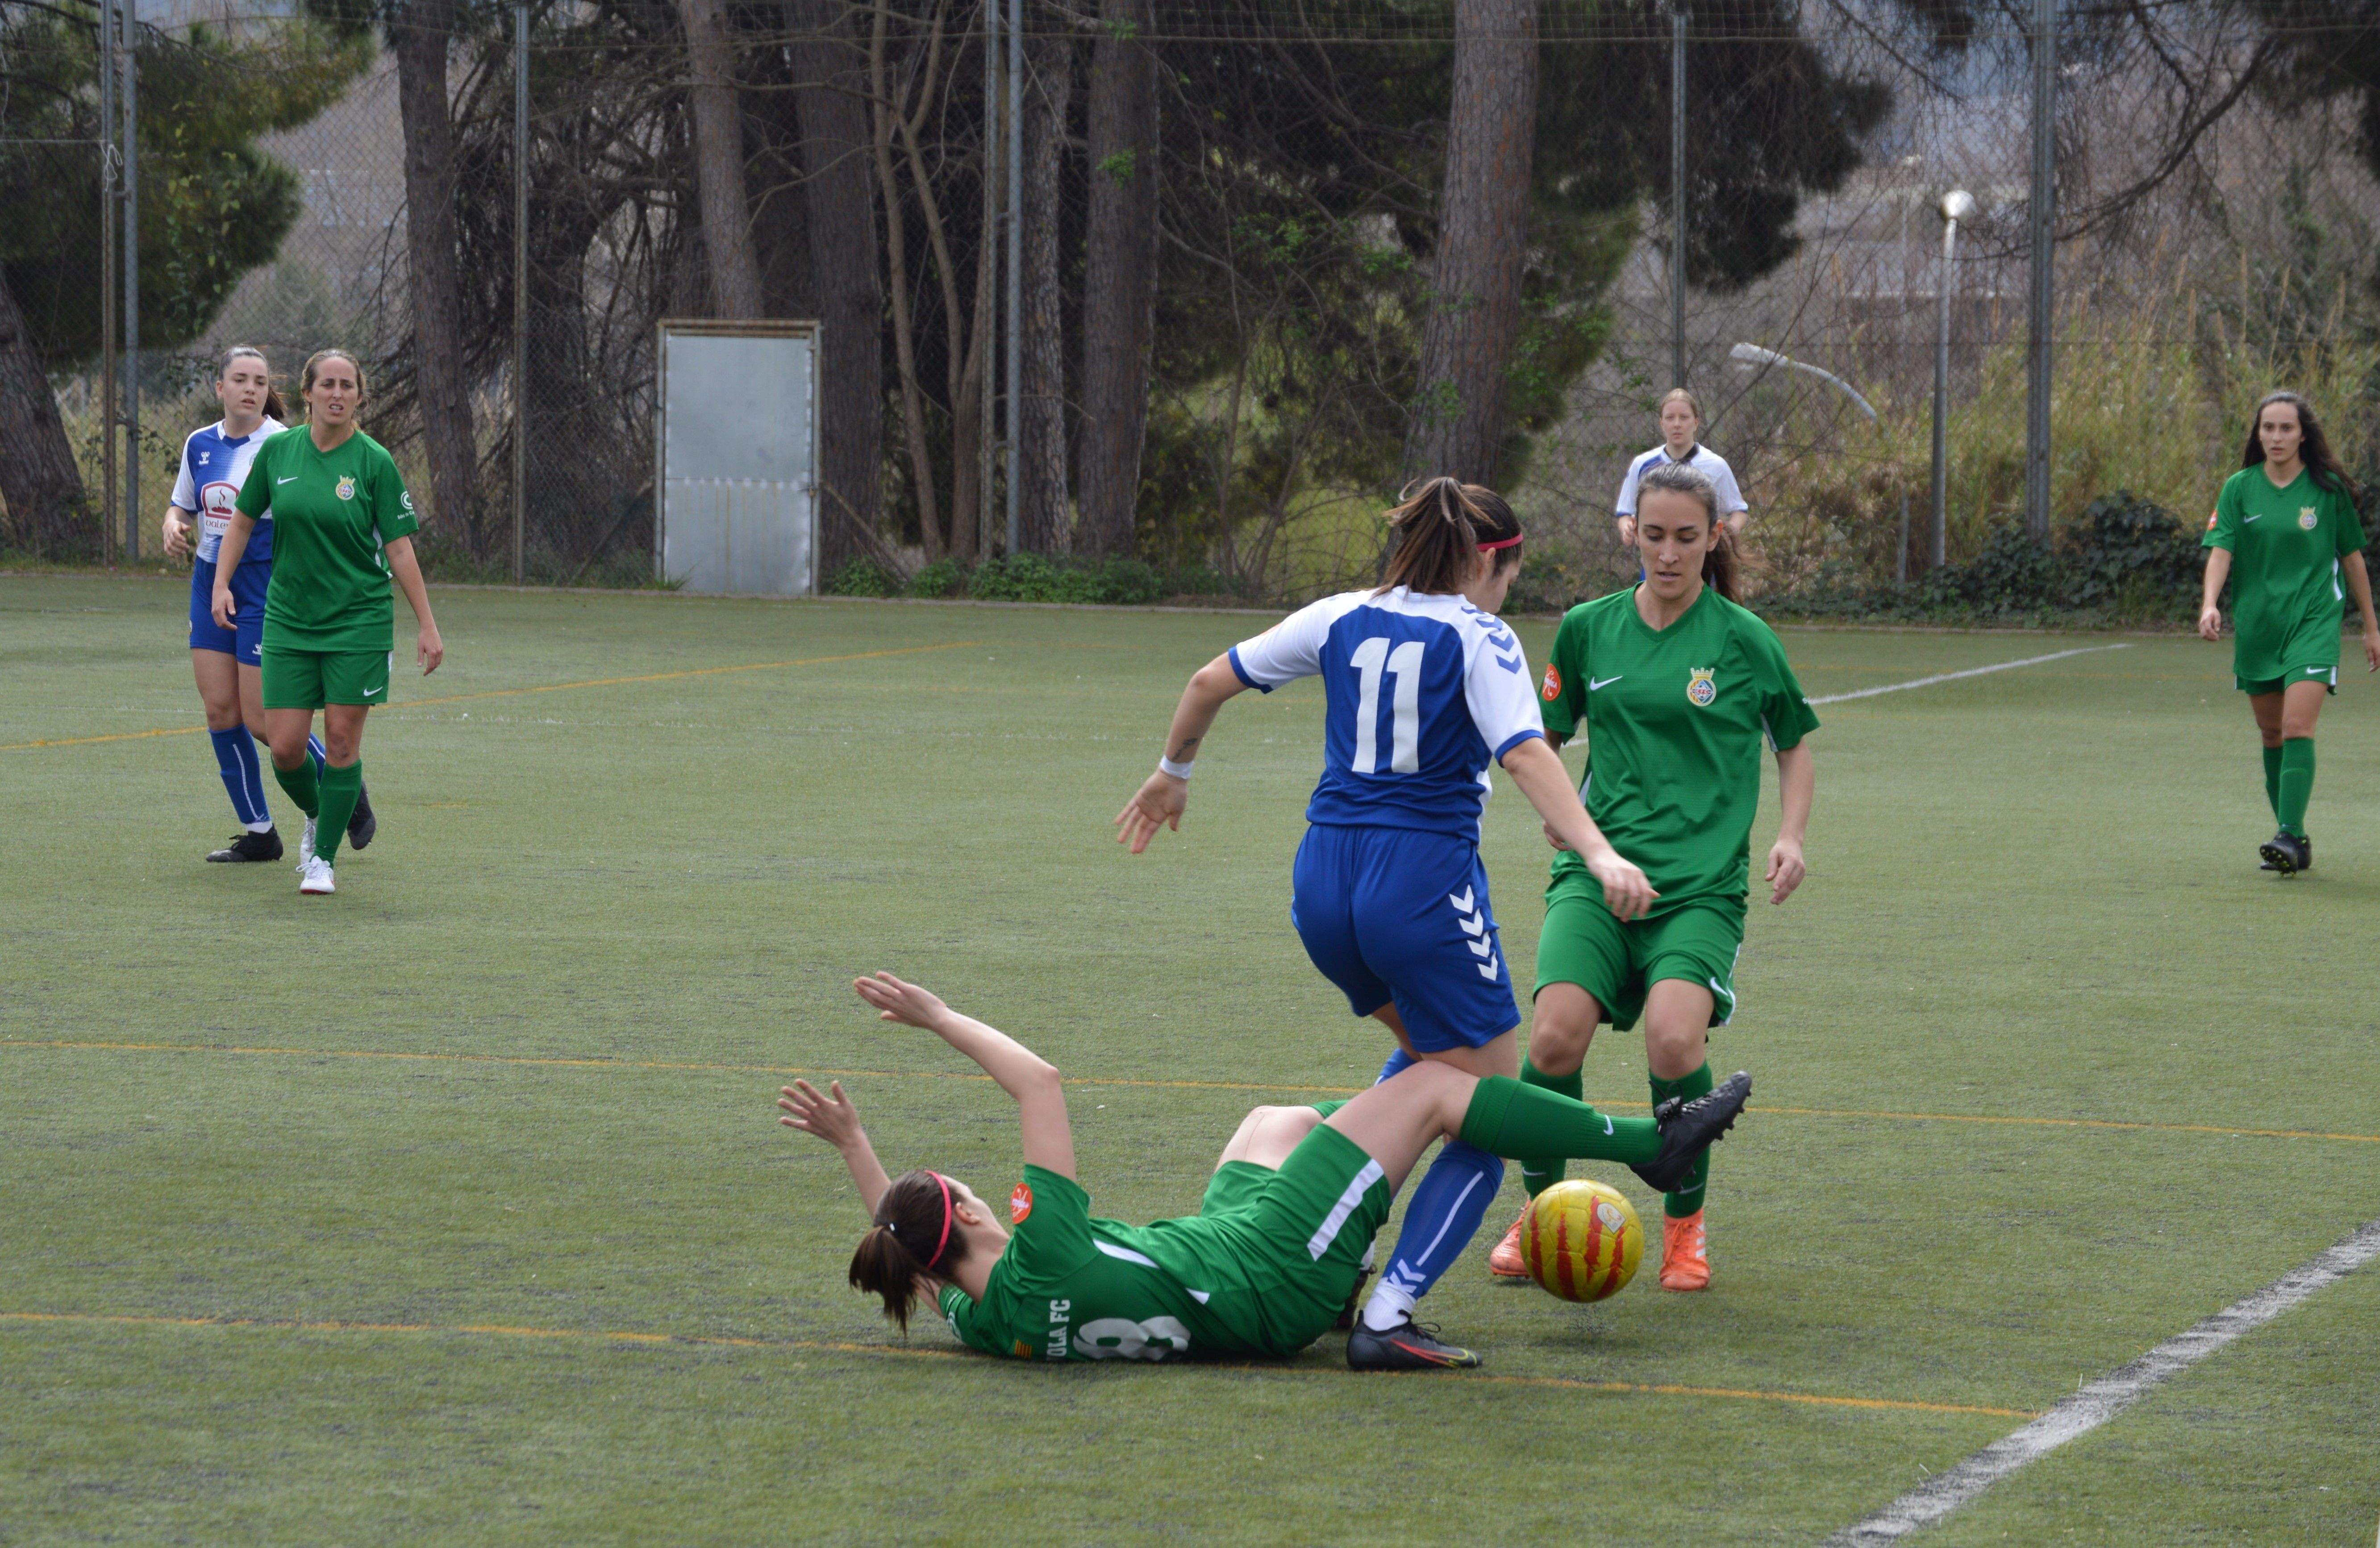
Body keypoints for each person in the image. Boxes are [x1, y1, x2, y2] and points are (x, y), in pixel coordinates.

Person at [1113, 477, 1655, 1369]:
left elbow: (1210, 678)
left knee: (1429, 1067)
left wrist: (1174, 769)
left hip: (1322, 885)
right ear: (1491, 560)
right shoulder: (1480, 634)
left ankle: (1347, 1260)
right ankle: (1389, 1313)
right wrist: (1597, 852)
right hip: (1416, 888)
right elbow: (1524, 751)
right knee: (1484, 1111)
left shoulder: (1335, 613)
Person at [780, 972, 1752, 1367]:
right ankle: (1652, 1146)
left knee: (1270, 1121)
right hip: (1276, 1271)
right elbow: (1038, 1081)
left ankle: (1373, 1151)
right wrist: (940, 1016)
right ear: (962, 1203)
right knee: (1435, 1085)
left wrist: (852, 1145)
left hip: (1231, 1260)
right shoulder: (1042, 1245)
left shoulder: (986, 1318)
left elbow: (901, 1237)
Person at [1486, 461, 1814, 1294]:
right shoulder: (1588, 629)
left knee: (1675, 1039)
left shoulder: (1744, 639)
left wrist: (1790, 834)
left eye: (1688, 538)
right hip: (1594, 879)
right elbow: (1543, 738)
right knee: (1555, 1037)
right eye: (1655, 535)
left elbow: (1793, 741)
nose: (1669, 554)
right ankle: (1541, 1213)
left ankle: (1685, 1226)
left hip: (1699, 889)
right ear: (1632, 531)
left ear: (1714, 539)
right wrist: (1561, 820)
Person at [213, 348, 444, 897]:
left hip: (358, 621)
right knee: (287, 747)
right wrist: (222, 584)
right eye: (328, 385)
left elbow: (401, 551)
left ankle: (324, 859)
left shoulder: (374, 462)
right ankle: (322, 815)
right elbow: (241, 522)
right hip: (289, 619)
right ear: (309, 393)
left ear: (359, 397)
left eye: (347, 386)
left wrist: (427, 624)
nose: (337, 394)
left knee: (341, 742)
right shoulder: (279, 452)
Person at [160, 347, 354, 864]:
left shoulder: (285, 443)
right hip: (210, 580)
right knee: (220, 710)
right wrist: (172, 523)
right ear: (219, 387)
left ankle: (343, 786)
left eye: (260, 381)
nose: (250, 388)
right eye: (240, 379)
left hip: (265, 581)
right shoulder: (200, 444)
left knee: (264, 720)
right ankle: (260, 832)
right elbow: (183, 502)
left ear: (270, 391)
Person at [2197, 390, 2379, 875]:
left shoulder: (2328, 490)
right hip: (2259, 627)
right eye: (2268, 428)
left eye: (2286, 428)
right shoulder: (2239, 488)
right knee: (2272, 732)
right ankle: (2294, 837)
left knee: (2299, 726)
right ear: (2258, 434)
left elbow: (2352, 558)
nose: (2276, 436)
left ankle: (2286, 836)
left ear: (2303, 434)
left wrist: (2370, 627)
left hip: (2315, 622)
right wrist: (2210, 603)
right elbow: (2221, 551)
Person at [1615, 388, 1749, 547]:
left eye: (1684, 418)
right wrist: (1627, 530)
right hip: (1656, 562)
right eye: (1670, 418)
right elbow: (1625, 512)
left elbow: (1739, 511)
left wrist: (1725, 537)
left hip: (1704, 563)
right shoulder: (1642, 464)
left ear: (1696, 423)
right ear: (1662, 423)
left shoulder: (1716, 465)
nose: (1677, 424)